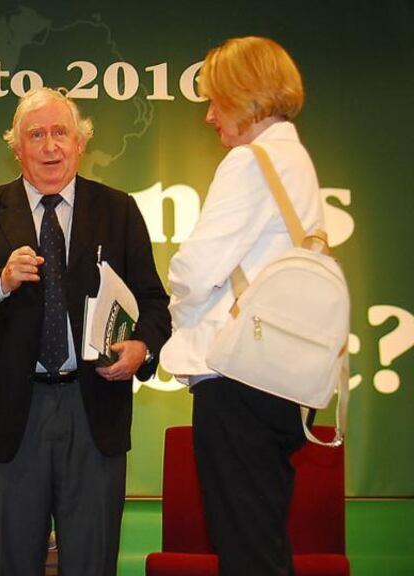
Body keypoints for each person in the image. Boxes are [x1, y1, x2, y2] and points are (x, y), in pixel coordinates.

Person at [0, 87, 171, 576]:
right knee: (9, 563)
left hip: (94, 413)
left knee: (91, 563)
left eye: (60, 132)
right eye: (35, 135)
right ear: (16, 147)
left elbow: (154, 303)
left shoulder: (118, 209)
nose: (49, 146)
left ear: (80, 143)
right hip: (7, 418)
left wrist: (142, 348)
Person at [159, 37, 324, 576]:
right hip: (282, 380)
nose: (209, 116)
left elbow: (196, 268)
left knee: (246, 550)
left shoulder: (249, 161)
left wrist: (180, 313)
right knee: (262, 540)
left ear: (245, 95)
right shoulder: (294, 158)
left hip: (239, 378)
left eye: (216, 100)